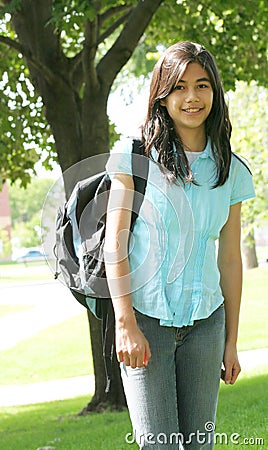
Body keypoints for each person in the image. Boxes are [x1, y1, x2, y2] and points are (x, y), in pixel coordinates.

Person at [104, 41, 255, 449]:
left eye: (202, 85)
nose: (192, 97)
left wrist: (231, 341)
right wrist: (125, 324)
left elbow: (229, 260)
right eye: (180, 87)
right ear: (162, 96)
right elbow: (114, 245)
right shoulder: (135, 157)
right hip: (145, 322)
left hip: (206, 325)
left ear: (214, 93)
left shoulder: (232, 171)